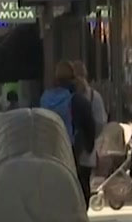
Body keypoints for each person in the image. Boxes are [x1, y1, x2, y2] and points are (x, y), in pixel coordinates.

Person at [40, 62, 98, 207]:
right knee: (77, 182)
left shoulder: (45, 98)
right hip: (71, 147)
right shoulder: (77, 100)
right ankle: (78, 212)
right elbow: (89, 124)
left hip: (50, 147)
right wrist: (89, 146)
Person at [72, 62, 108, 187]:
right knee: (84, 185)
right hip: (87, 150)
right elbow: (101, 123)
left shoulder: (67, 96)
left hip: (68, 152)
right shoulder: (94, 96)